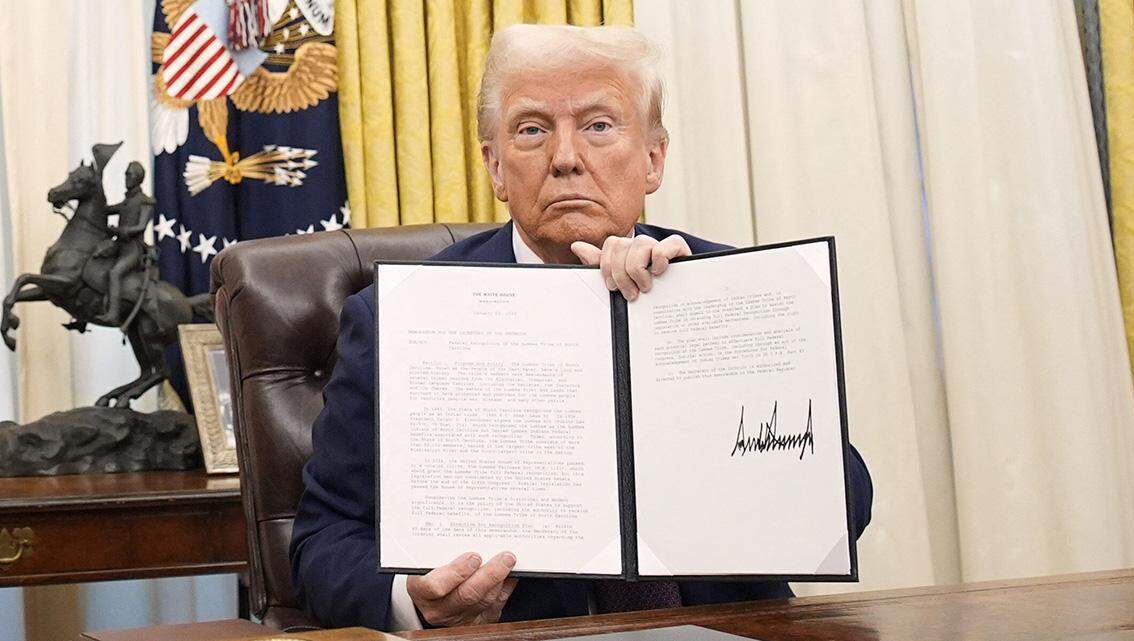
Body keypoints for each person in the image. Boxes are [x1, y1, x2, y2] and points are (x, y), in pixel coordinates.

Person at [290, 24, 873, 631]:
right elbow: (323, 544)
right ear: (494, 166)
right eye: (532, 130)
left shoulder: (737, 289)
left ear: (653, 159)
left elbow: (845, 507)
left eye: (599, 126)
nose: (565, 158)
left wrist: (703, 334)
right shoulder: (398, 317)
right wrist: (417, 602)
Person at [94, 161, 154, 324]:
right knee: (93, 259)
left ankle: (113, 313)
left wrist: (120, 231)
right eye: (126, 174)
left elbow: (140, 227)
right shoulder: (127, 201)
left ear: (138, 178)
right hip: (119, 245)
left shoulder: (145, 202)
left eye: (129, 175)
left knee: (115, 273)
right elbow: (106, 209)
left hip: (133, 249)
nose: (126, 178)